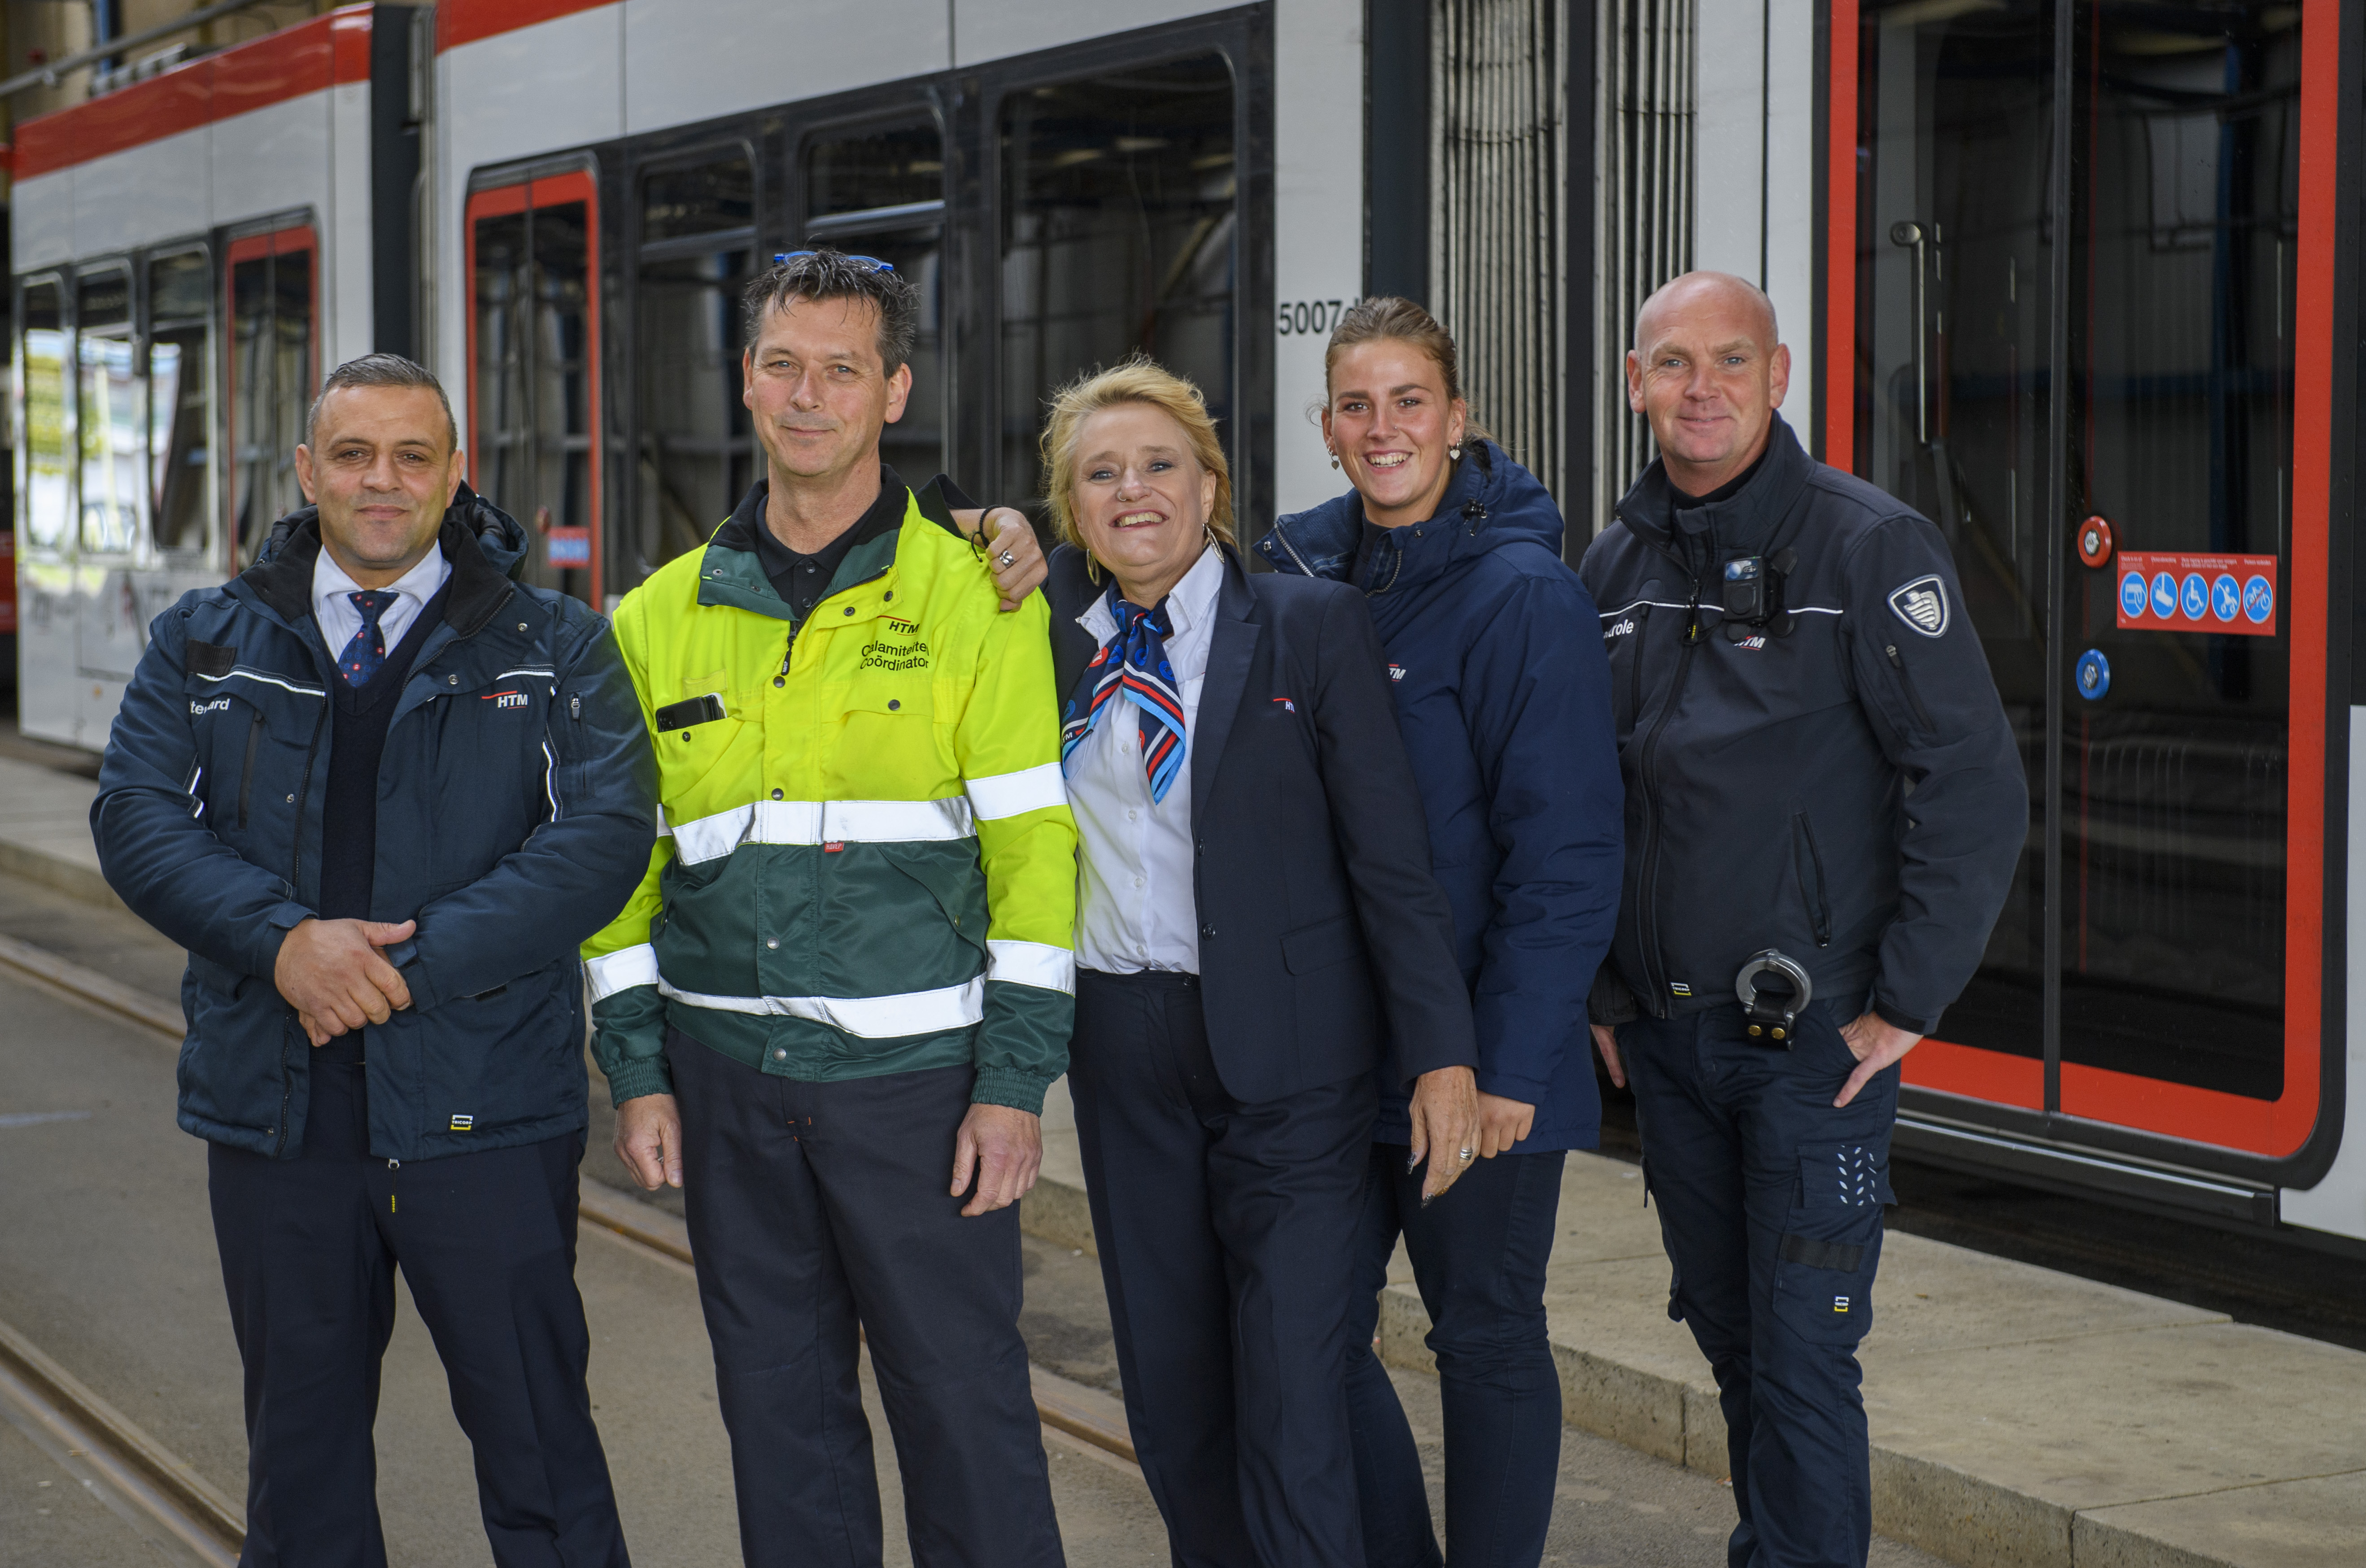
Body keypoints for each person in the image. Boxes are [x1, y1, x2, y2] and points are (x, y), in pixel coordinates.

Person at [92, 353, 656, 1566]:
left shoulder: (555, 642)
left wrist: (401, 968)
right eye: (353, 456)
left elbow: (602, 839)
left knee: (539, 1446)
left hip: (487, 1115)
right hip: (278, 1116)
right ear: (306, 472)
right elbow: (136, 816)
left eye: (413, 456)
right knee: (301, 1472)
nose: (382, 482)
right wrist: (283, 943)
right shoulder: (205, 639)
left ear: (457, 474)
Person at [579, 250, 1078, 1568]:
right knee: (780, 1423)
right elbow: (619, 877)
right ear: (746, 380)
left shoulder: (980, 595)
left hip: (919, 1090)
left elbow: (1036, 852)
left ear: (892, 390)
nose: (809, 397)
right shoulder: (654, 617)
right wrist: (636, 1074)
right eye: (784, 365)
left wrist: (1016, 1085)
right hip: (727, 1085)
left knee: (965, 1415)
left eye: (841, 370)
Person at [1580, 272, 2025, 1568]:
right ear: (1635, 384)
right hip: (1664, 1042)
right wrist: (1607, 993)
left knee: (1803, 1357)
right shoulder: (1612, 563)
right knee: (1731, 1342)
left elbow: (1970, 778)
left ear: (1779, 378)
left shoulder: (1865, 546)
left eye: (1729, 360)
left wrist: (1905, 999)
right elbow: (1585, 794)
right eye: (1672, 364)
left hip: (1809, 1046)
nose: (1700, 388)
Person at [1037, 356, 1481, 1568]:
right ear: (1070, 510)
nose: (1133, 494)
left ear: (1212, 484)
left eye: (1159, 465)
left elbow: (1392, 864)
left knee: (1292, 1396)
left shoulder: (1305, 623)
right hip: (1125, 1058)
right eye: (1100, 475)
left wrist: (1442, 1055)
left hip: (1292, 1068)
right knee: (1174, 1401)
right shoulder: (1047, 643)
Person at [1256, 297, 1624, 1568]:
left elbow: (1567, 851)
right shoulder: (1292, 578)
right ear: (1325, 427)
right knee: (1306, 1333)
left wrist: (1513, 1066)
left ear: (1457, 419)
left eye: (1409, 400)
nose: (1383, 427)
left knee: (1480, 1330)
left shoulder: (1525, 595)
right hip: (1326, 1049)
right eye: (1356, 405)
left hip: (1476, 1053)